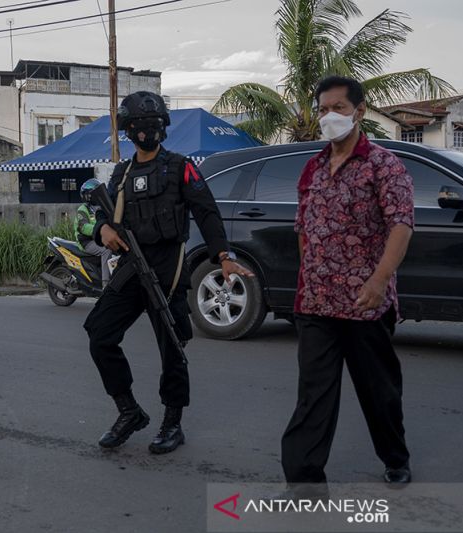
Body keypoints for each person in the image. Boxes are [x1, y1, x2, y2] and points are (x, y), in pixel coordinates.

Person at [83, 91, 253, 454]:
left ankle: (172, 423)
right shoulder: (121, 173)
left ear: (163, 128)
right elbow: (104, 215)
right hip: (132, 263)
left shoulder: (181, 167)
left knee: (173, 346)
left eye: (152, 125)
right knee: (99, 333)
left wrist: (222, 254)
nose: (146, 132)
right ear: (128, 131)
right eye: (138, 126)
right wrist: (103, 230)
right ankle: (128, 411)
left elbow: (206, 212)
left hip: (168, 265)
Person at [281, 76, 415, 487]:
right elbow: (304, 228)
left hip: (364, 302)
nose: (329, 117)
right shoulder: (313, 167)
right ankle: (304, 478)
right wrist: (309, 278)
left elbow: (401, 225)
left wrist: (379, 281)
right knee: (314, 396)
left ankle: (395, 458)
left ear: (358, 112)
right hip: (317, 305)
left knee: (379, 393)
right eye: (323, 109)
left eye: (337, 108)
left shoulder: (383, 165)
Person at [75, 178, 113, 287]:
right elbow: (83, 227)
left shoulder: (101, 208)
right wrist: (99, 229)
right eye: (92, 194)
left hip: (99, 238)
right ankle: (106, 284)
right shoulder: (83, 209)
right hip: (87, 242)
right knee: (106, 250)